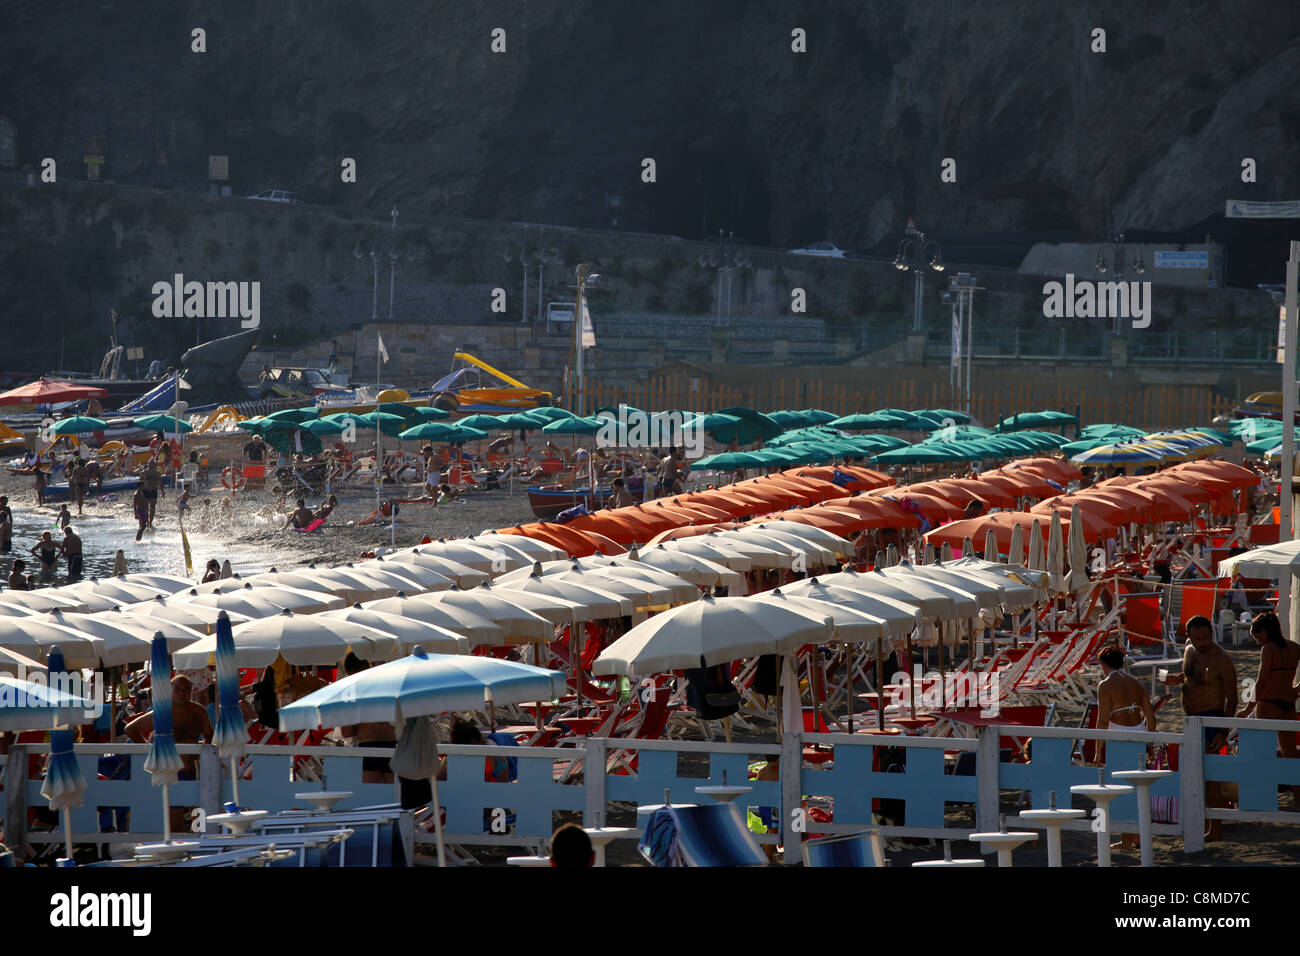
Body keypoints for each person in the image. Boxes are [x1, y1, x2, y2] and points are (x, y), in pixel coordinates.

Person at [1166, 615, 1237, 842]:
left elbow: (1233, 699)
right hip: (1190, 719)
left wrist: (1222, 731)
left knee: (1210, 778)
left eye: (1205, 637)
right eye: (1196, 638)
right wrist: (1177, 680)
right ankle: (1204, 824)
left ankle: (1214, 829)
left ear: (1212, 634)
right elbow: (1190, 678)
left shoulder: (1222, 659)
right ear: (1189, 637)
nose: (1202, 642)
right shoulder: (1190, 651)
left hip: (1211, 719)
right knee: (1195, 775)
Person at [125, 675, 213, 833]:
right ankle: (179, 850)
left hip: (193, 771)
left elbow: (210, 736)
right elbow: (130, 729)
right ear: (170, 691)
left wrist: (198, 747)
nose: (182, 693)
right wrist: (150, 750)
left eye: (186, 689)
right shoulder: (162, 713)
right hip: (170, 773)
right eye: (177, 689)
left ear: (191, 691)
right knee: (176, 823)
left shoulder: (198, 712)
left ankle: (200, 848)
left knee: (200, 819)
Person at [1243, 611, 1299, 760]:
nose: (1257, 642)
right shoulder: (1294, 647)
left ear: (1264, 632)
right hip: (1289, 704)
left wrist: (1248, 708)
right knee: (1291, 755)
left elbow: (1261, 682)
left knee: (1263, 753)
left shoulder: (1268, 649)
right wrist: (1298, 687)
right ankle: (1294, 783)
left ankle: (1267, 782)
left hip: (1269, 704)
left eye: (1257, 637)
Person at [337, 654, 398, 785]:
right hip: (393, 745)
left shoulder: (352, 692)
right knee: (394, 797)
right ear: (368, 666)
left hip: (369, 746)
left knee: (370, 796)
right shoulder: (387, 686)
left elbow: (347, 732)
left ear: (349, 672)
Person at [140, 458, 162, 527]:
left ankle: (150, 523)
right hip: (146, 491)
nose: (149, 464)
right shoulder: (144, 472)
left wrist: (162, 491)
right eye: (149, 463)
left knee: (152, 507)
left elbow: (160, 483)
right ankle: (147, 522)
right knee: (146, 507)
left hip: (153, 490)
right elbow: (140, 483)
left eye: (150, 463)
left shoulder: (157, 473)